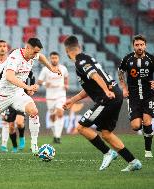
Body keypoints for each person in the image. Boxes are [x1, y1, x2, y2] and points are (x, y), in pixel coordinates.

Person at [0, 38, 61, 155]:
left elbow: (42, 57)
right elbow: (9, 76)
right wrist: (27, 87)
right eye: (34, 52)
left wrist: (51, 68)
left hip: (17, 93)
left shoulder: (33, 55)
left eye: (37, 52)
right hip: (1, 95)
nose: (36, 55)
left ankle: (34, 146)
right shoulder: (15, 57)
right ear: (27, 47)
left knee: (33, 111)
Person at [63, 35, 142, 171]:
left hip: (107, 98)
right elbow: (89, 88)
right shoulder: (86, 58)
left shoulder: (80, 61)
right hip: (115, 95)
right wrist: (72, 100)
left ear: (66, 51)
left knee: (81, 127)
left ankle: (108, 152)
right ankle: (133, 162)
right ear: (79, 47)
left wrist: (105, 91)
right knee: (106, 133)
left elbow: (95, 75)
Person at [118, 34, 154, 158]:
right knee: (135, 126)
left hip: (149, 95)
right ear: (133, 46)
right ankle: (146, 129)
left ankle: (148, 151)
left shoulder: (151, 59)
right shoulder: (127, 59)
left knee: (147, 121)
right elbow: (120, 72)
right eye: (137, 45)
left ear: (145, 45)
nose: (139, 47)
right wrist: (124, 88)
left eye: (141, 45)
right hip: (133, 96)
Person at [38, 51, 69, 144]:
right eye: (52, 58)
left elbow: (66, 77)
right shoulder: (45, 69)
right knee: (52, 116)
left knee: (60, 113)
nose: (54, 59)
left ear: (58, 59)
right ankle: (55, 134)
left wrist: (66, 85)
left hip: (61, 95)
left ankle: (58, 136)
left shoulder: (63, 68)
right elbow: (39, 81)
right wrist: (44, 83)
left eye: (56, 58)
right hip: (50, 96)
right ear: (49, 59)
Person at [2, 70, 35, 152]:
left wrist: (31, 91)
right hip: (10, 100)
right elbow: (1, 83)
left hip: (21, 100)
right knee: (11, 127)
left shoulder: (28, 72)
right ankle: (15, 146)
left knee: (19, 122)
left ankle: (21, 137)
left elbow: (32, 88)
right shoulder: (8, 70)